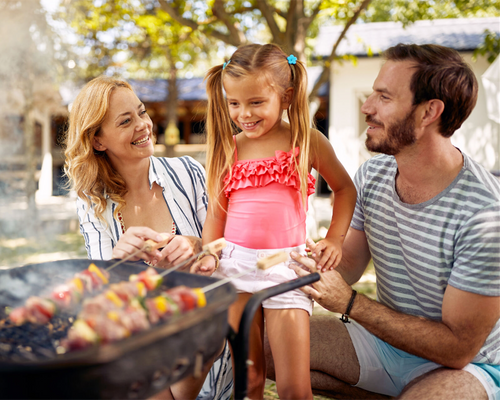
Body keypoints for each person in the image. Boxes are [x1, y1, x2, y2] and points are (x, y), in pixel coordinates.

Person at [278, 43, 500, 400]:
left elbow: (457, 348)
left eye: (383, 97)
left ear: (429, 112)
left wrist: (350, 303)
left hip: (470, 365)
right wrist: (298, 258)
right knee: (269, 342)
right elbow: (347, 265)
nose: (366, 107)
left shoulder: (486, 215)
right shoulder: (374, 175)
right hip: (385, 344)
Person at [195, 43, 357, 400]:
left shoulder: (307, 141)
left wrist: (335, 238)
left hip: (287, 269)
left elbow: (345, 189)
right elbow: (217, 211)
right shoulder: (229, 148)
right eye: (234, 103)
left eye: (256, 102)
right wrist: (208, 253)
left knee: (294, 388)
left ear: (286, 97)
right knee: (249, 382)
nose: (244, 114)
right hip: (234, 269)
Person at [63, 76, 232, 400]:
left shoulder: (188, 172)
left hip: (204, 347)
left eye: (141, 112)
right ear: (98, 141)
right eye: (126, 121)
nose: (143, 125)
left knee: (199, 335)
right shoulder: (92, 204)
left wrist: (197, 246)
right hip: (142, 350)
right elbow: (102, 296)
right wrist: (117, 263)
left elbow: (228, 246)